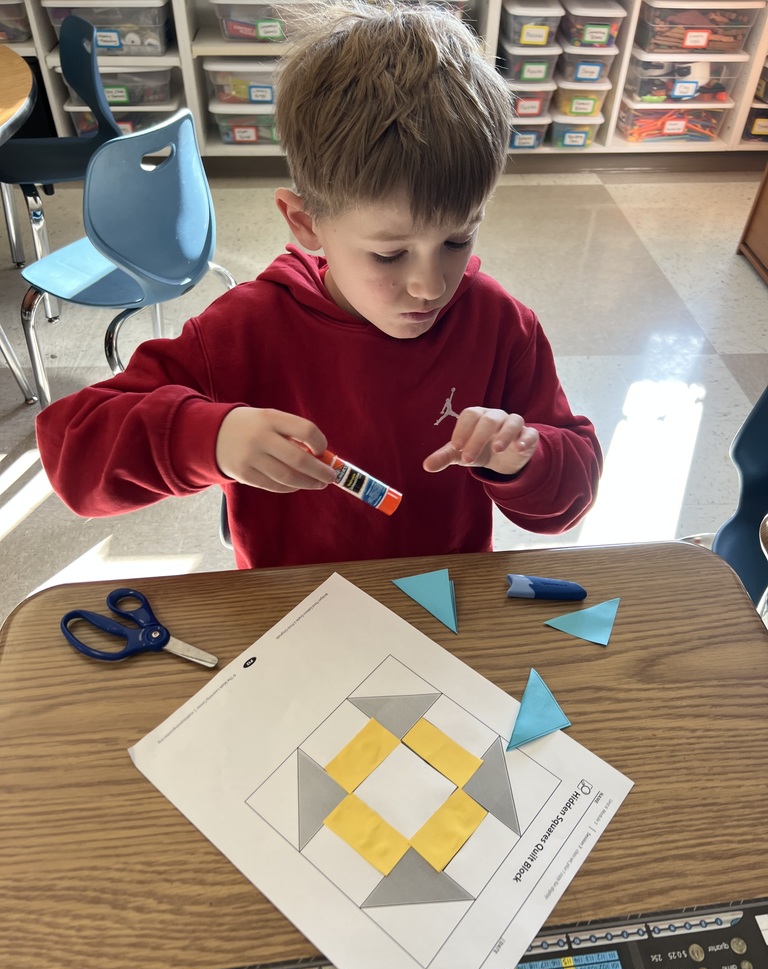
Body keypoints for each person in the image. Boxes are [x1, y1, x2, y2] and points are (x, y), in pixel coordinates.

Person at [36, 1, 602, 570]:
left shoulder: (501, 324)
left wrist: (525, 458)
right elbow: (73, 457)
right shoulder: (244, 330)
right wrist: (210, 439)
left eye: (457, 241)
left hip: (445, 603)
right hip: (293, 608)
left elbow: (569, 498)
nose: (431, 286)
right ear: (306, 223)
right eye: (389, 253)